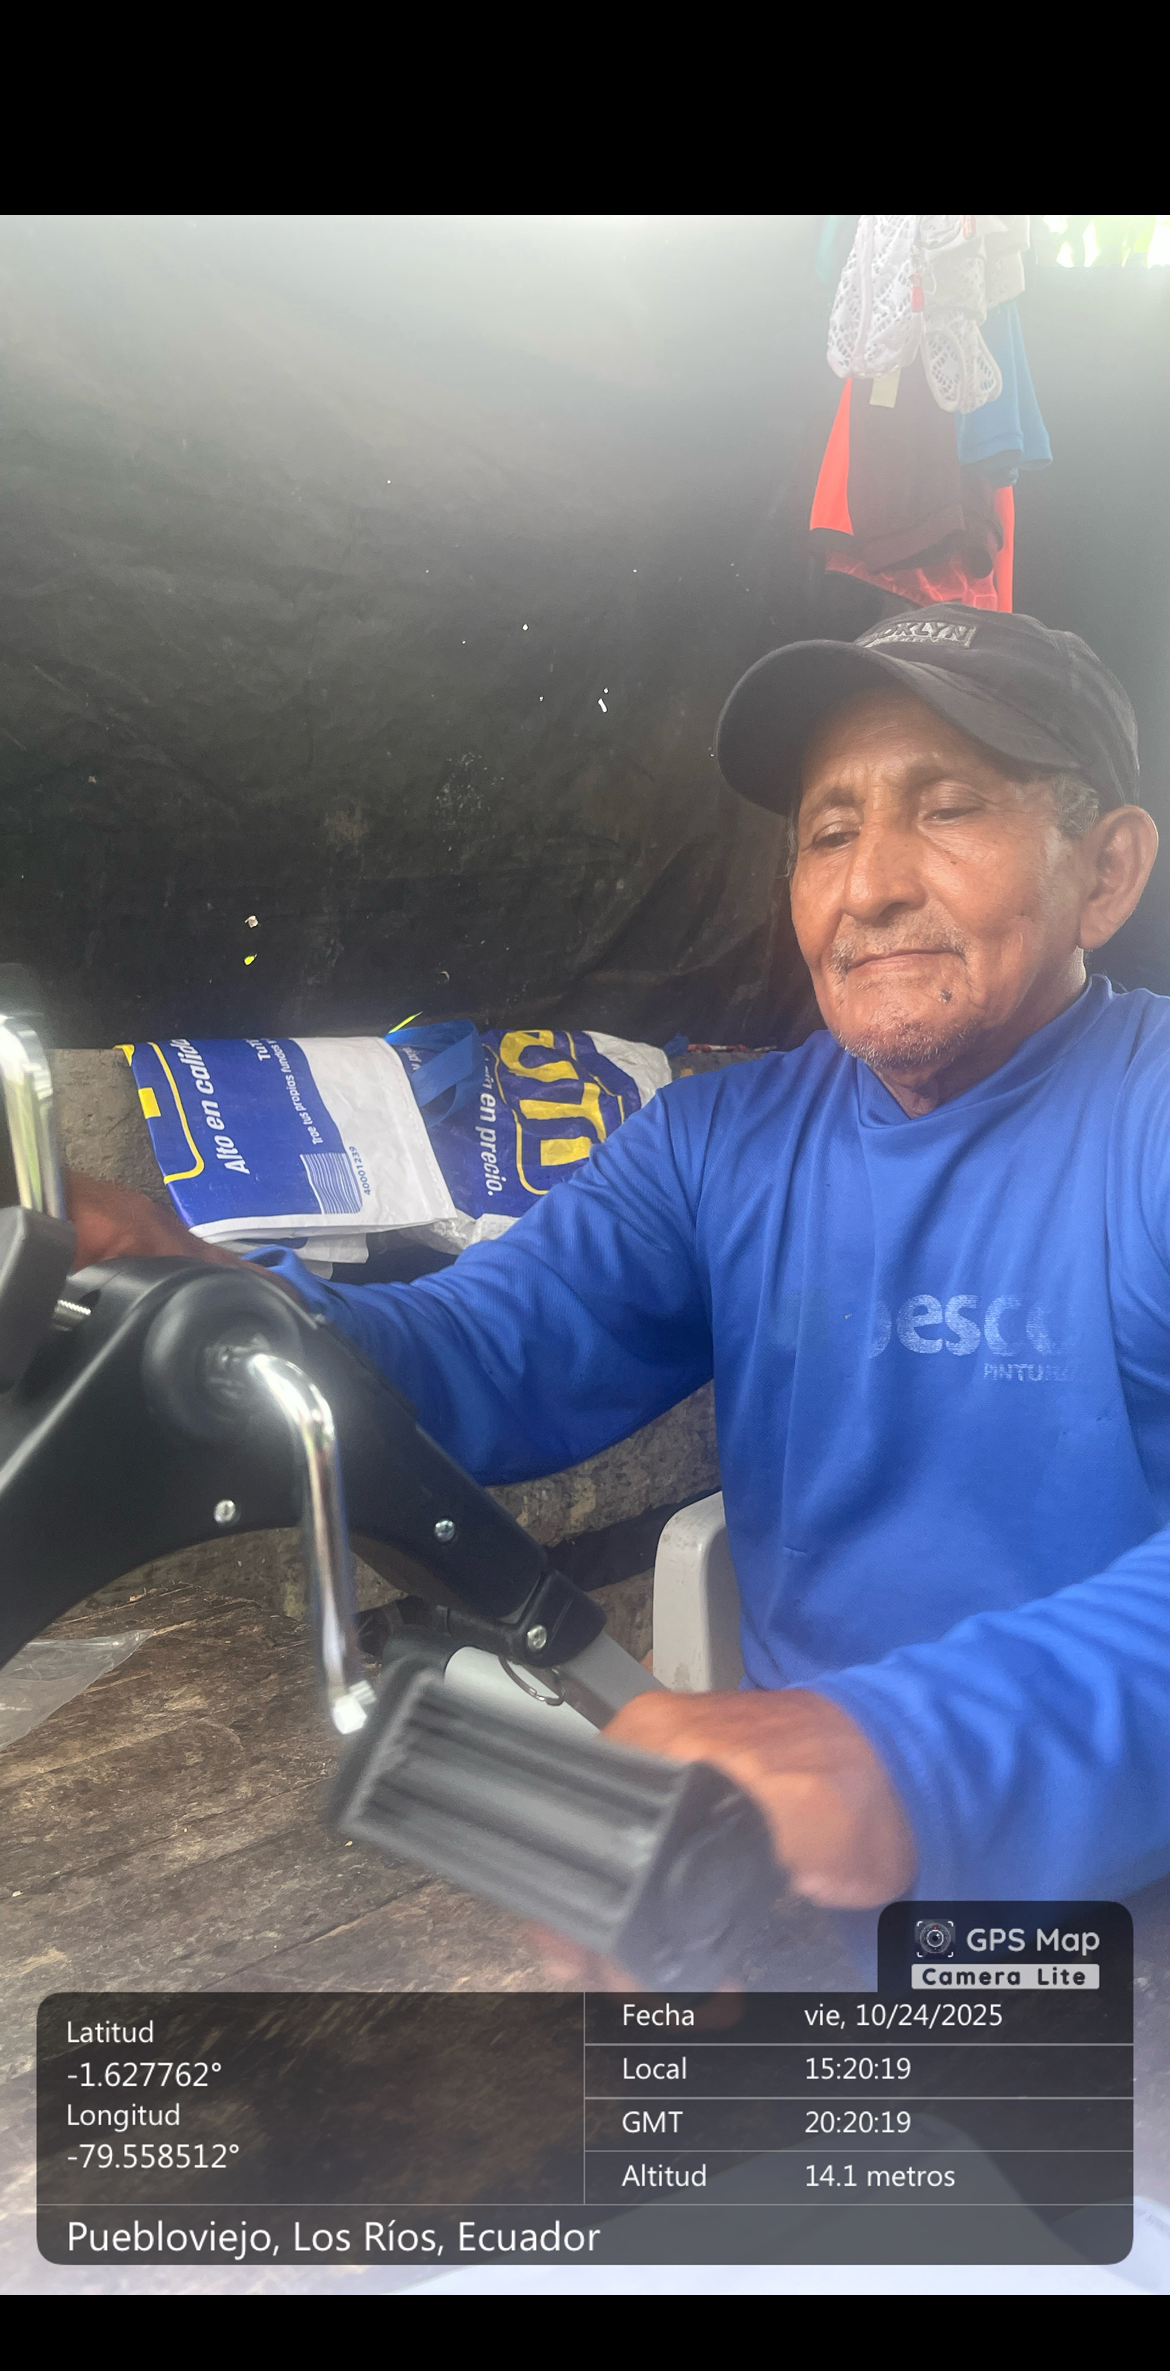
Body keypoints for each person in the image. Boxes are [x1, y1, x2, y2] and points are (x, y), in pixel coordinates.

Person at [65, 606, 1170, 1939]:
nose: (869, 885)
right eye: (827, 833)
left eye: (947, 809)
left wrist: (909, 1748)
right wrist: (208, 1298)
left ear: (1106, 872)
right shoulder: (720, 1143)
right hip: (789, 1872)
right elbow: (478, 1356)